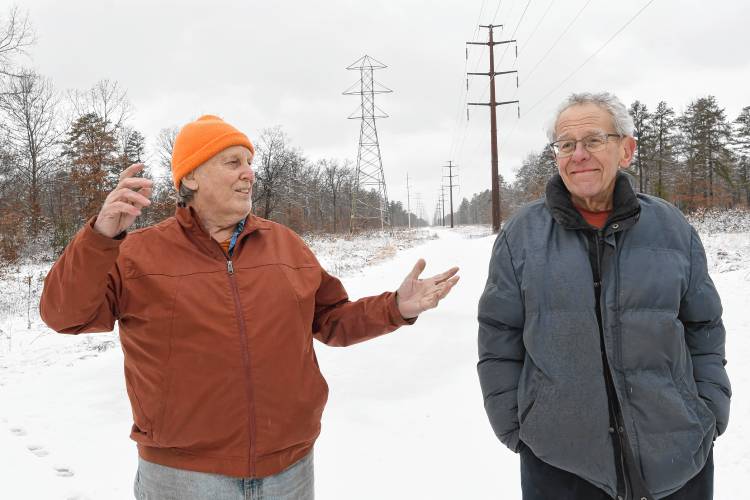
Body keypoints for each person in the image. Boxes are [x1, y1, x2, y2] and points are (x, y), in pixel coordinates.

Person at [40, 115, 459, 500]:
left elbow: (332, 320)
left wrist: (396, 308)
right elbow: (64, 315)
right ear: (192, 176)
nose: (248, 173)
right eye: (232, 162)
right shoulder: (136, 254)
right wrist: (99, 237)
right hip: (183, 475)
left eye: (249, 162)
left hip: (288, 468)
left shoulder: (285, 244)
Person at [477, 92, 730, 500]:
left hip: (677, 456)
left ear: (626, 149)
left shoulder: (670, 227)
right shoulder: (521, 235)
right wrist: (516, 425)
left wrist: (709, 408)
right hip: (561, 465)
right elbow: (499, 334)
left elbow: (703, 324)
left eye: (594, 140)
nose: (579, 155)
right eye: (566, 144)